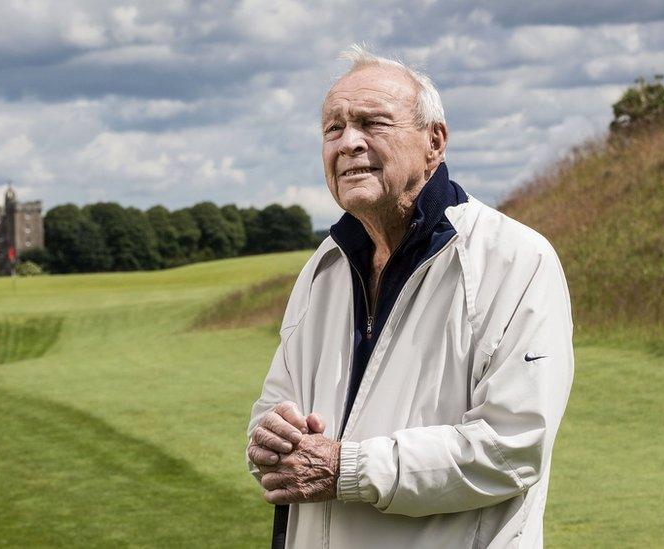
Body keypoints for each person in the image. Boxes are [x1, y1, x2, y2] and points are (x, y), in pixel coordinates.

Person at [245, 45, 574, 548]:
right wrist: (268, 438)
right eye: (333, 129)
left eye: (372, 123)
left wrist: (345, 469)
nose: (349, 143)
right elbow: (274, 406)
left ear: (434, 141)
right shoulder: (323, 267)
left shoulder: (515, 260)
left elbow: (512, 448)